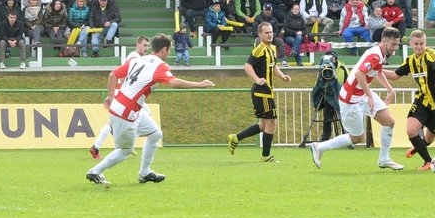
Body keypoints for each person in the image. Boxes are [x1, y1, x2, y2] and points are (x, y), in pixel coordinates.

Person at [86, 34, 215, 185]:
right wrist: (199, 84)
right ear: (165, 49)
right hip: (127, 111)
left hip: (124, 107)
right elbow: (173, 83)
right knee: (125, 150)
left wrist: (110, 97)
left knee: (155, 133)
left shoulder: (138, 60)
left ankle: (145, 172)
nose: (169, 53)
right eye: (169, 50)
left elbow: (112, 75)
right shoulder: (159, 65)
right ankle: (95, 171)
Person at [310, 27, 404, 171]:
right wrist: (371, 97)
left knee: (389, 122)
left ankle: (384, 159)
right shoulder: (375, 55)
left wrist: (390, 90)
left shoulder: (382, 54)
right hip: (351, 99)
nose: (395, 47)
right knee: (357, 138)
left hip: (362, 95)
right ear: (384, 42)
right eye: (393, 44)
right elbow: (360, 74)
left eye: (397, 44)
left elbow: (377, 72)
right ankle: (319, 147)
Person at [384, 30, 435, 171]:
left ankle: (417, 148)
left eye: (422, 44)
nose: (419, 47)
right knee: (411, 130)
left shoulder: (431, 55)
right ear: (411, 44)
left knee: (429, 138)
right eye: (416, 44)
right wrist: (375, 69)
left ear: (425, 43)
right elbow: (394, 75)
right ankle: (428, 162)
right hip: (422, 99)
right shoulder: (410, 60)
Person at [227, 21, 292, 161]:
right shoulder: (259, 49)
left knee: (263, 125)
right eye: (266, 32)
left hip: (266, 92)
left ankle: (236, 138)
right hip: (261, 92)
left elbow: (273, 66)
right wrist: (257, 79)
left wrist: (282, 76)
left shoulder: (272, 49)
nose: (269, 34)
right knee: (271, 124)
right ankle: (266, 156)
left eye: (271, 32)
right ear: (260, 34)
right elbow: (247, 66)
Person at [89, 36, 151, 159]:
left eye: (148, 46)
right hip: (126, 93)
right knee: (145, 114)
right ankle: (123, 145)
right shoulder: (135, 57)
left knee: (118, 121)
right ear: (138, 45)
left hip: (123, 91)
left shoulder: (133, 56)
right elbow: (123, 76)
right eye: (144, 45)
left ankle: (121, 145)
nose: (146, 48)